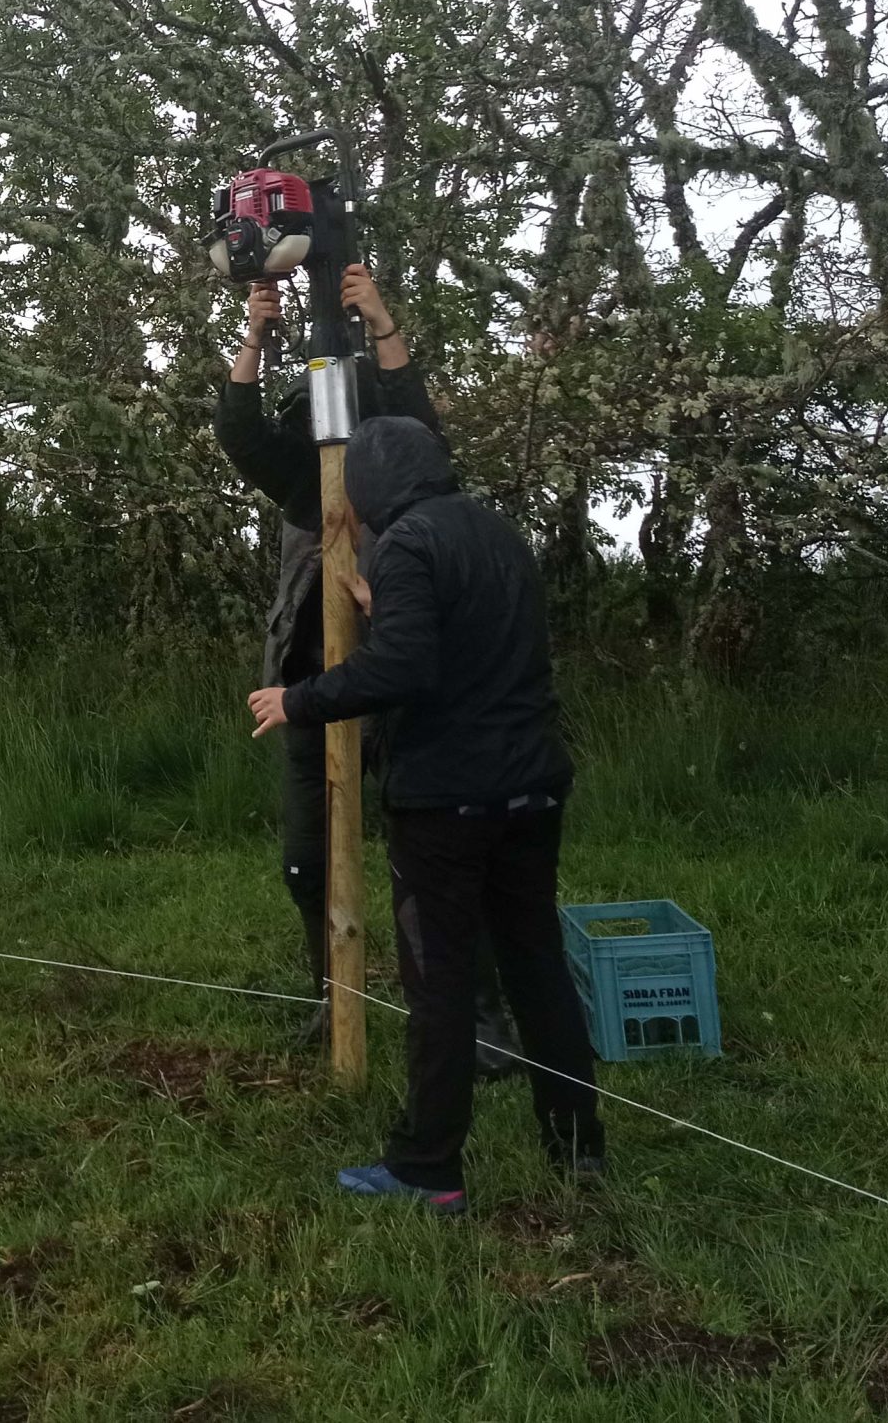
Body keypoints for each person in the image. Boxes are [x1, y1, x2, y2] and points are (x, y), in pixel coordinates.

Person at [249, 417, 605, 1212]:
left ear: (372, 488)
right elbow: (468, 638)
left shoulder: (406, 542)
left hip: (450, 801)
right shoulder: (496, 532)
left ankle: (427, 1169)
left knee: (436, 982)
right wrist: (386, 604)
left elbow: (404, 667)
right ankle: (578, 1146)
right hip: (533, 788)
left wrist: (297, 698)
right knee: (536, 964)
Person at [214, 265, 513, 1068]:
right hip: (308, 695)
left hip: (399, 698)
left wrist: (379, 319)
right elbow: (238, 430)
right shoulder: (298, 484)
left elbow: (421, 422)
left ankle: (483, 1019)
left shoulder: (406, 493)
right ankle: (332, 996)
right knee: (305, 861)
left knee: (443, 865)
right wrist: (254, 331)